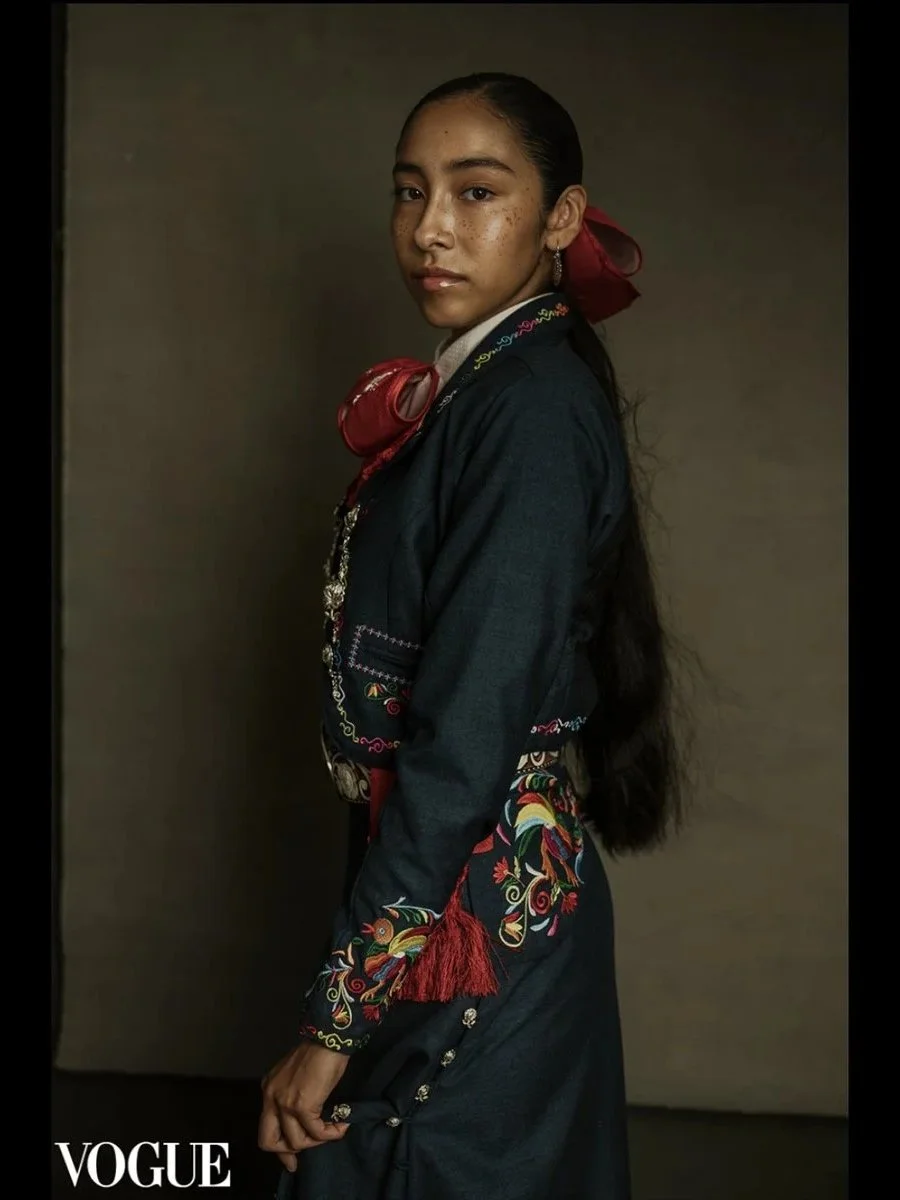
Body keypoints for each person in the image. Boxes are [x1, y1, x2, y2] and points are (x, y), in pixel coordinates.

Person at [258, 72, 686, 1200]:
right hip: (445, 895)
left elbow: (466, 741)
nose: (430, 229)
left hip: (476, 928)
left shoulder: (529, 407)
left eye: (477, 191)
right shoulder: (488, 388)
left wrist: (337, 1018)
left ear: (562, 217)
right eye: (410, 191)